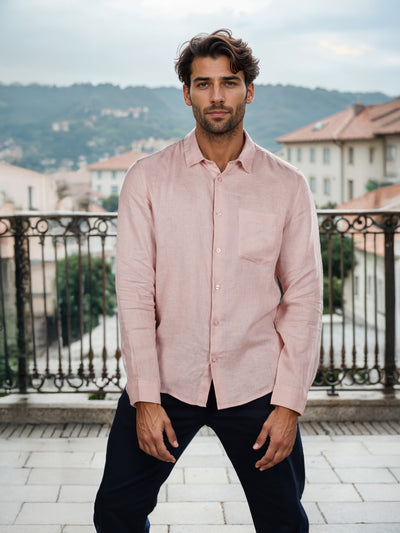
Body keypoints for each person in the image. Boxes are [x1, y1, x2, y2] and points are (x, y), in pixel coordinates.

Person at [94, 29, 323, 533]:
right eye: (204, 84)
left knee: (284, 521)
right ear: (187, 93)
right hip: (167, 380)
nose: (217, 96)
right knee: (116, 513)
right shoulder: (146, 179)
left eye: (229, 83)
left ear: (249, 91)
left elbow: (304, 298)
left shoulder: (287, 185)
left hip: (258, 385)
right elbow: (135, 295)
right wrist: (144, 398)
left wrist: (289, 404)